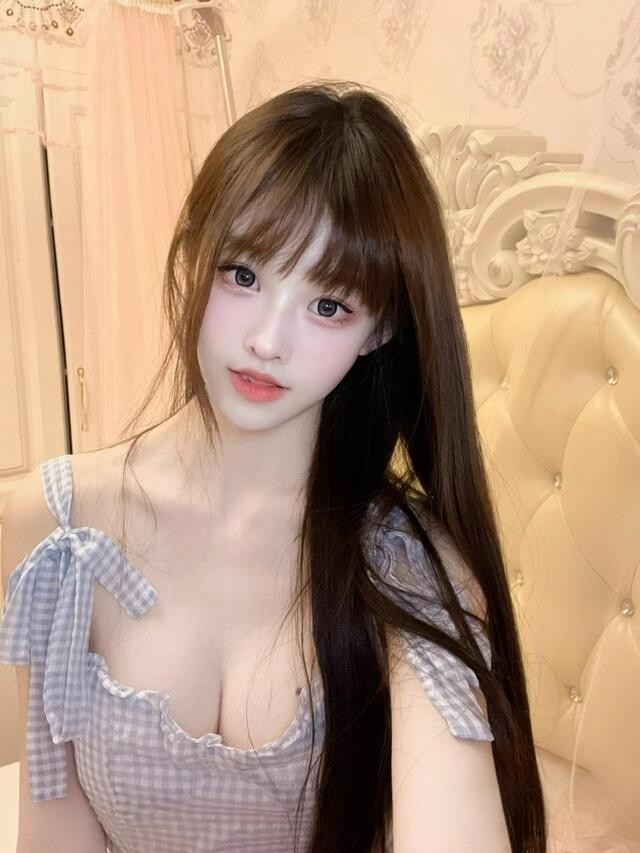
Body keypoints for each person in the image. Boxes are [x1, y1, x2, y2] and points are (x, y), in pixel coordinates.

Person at [0, 80, 546, 852]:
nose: (267, 340)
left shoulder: (408, 568)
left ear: (378, 329)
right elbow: (53, 825)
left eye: (329, 305)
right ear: (195, 253)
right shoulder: (60, 527)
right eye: (245, 274)